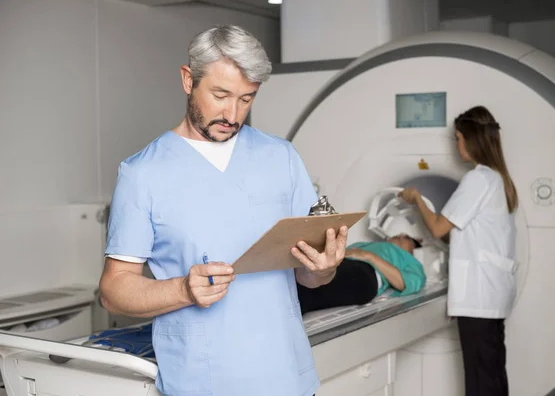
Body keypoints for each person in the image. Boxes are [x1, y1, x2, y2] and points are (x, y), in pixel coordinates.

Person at [98, 25, 348, 396]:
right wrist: (183, 289)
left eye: (247, 99)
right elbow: (113, 289)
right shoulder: (143, 174)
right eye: (220, 95)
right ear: (188, 80)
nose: (233, 114)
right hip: (203, 382)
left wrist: (325, 270)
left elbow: (307, 276)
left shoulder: (280, 157)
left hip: (287, 378)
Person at [399, 105, 518, 396]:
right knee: (490, 376)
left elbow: (439, 226)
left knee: (481, 382)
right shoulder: (496, 179)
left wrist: (416, 199)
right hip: (488, 295)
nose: (457, 144)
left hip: (480, 296)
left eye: (458, 138)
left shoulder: (478, 178)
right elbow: (469, 235)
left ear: (471, 140)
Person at [297, 233, 427, 315]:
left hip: (365, 274)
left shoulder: (411, 261)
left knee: (311, 291)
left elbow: (404, 283)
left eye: (408, 238)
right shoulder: (366, 244)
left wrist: (369, 256)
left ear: (413, 251)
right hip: (340, 264)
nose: (402, 235)